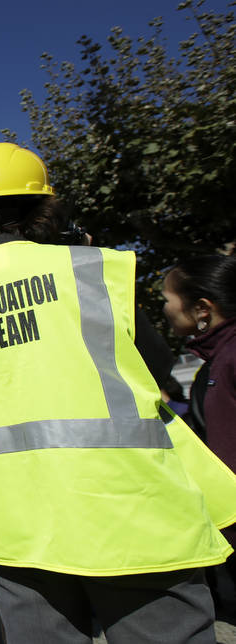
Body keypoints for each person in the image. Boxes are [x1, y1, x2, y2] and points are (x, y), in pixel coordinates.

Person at [0, 142, 231, 643]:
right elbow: (157, 370)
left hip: (9, 523)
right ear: (44, 212)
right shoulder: (88, 270)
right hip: (126, 511)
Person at [162, 254, 236, 602]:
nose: (164, 309)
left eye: (167, 299)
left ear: (202, 309)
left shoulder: (230, 357)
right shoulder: (214, 362)